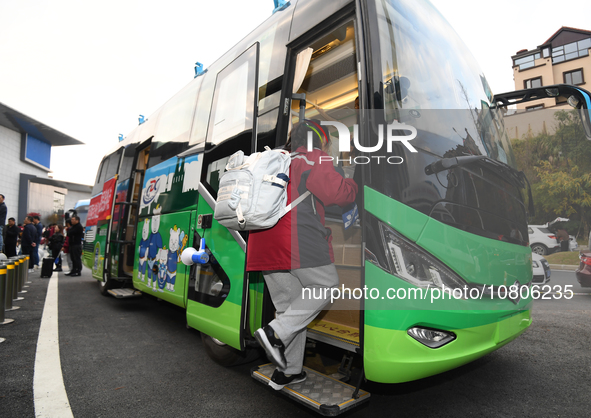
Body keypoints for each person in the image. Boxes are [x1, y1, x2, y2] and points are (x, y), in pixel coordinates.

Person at [248, 120, 358, 390]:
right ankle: (275, 333)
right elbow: (337, 193)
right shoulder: (313, 158)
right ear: (319, 141)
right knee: (326, 286)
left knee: (289, 307)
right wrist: (355, 183)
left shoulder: (278, 160)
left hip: (263, 243)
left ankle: (288, 372)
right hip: (296, 241)